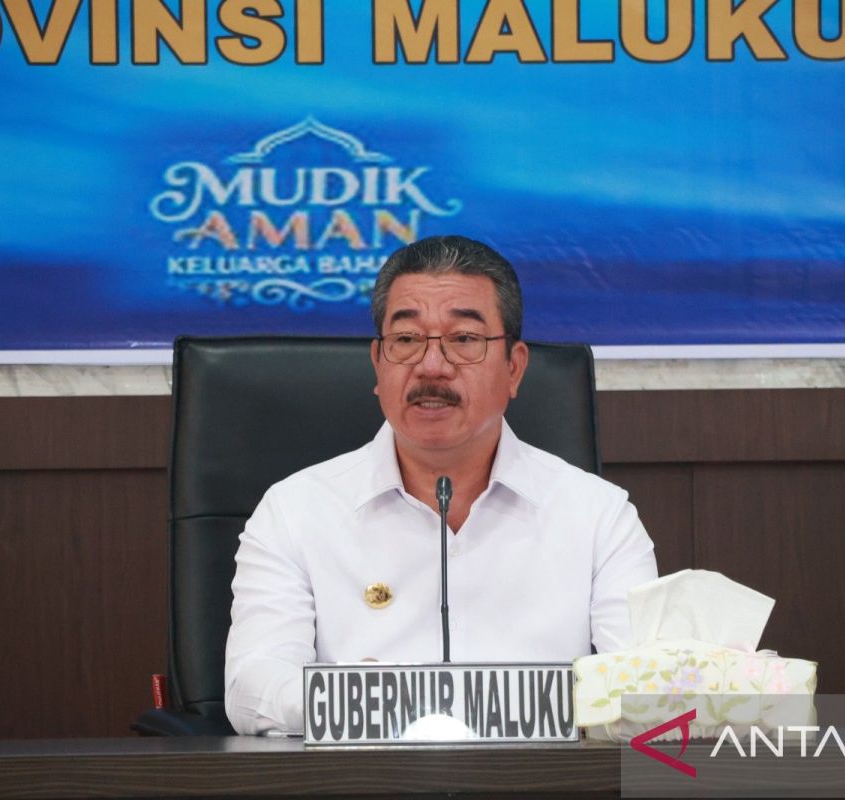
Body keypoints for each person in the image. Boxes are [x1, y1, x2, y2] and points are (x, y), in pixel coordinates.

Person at [224, 235, 657, 734]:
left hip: (542, 774)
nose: (432, 366)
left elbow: (645, 692)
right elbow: (252, 688)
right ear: (378, 363)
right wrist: (364, 701)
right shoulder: (295, 511)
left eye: (464, 339)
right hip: (360, 773)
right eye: (407, 340)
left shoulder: (599, 516)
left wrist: (512, 708)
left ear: (514, 368)